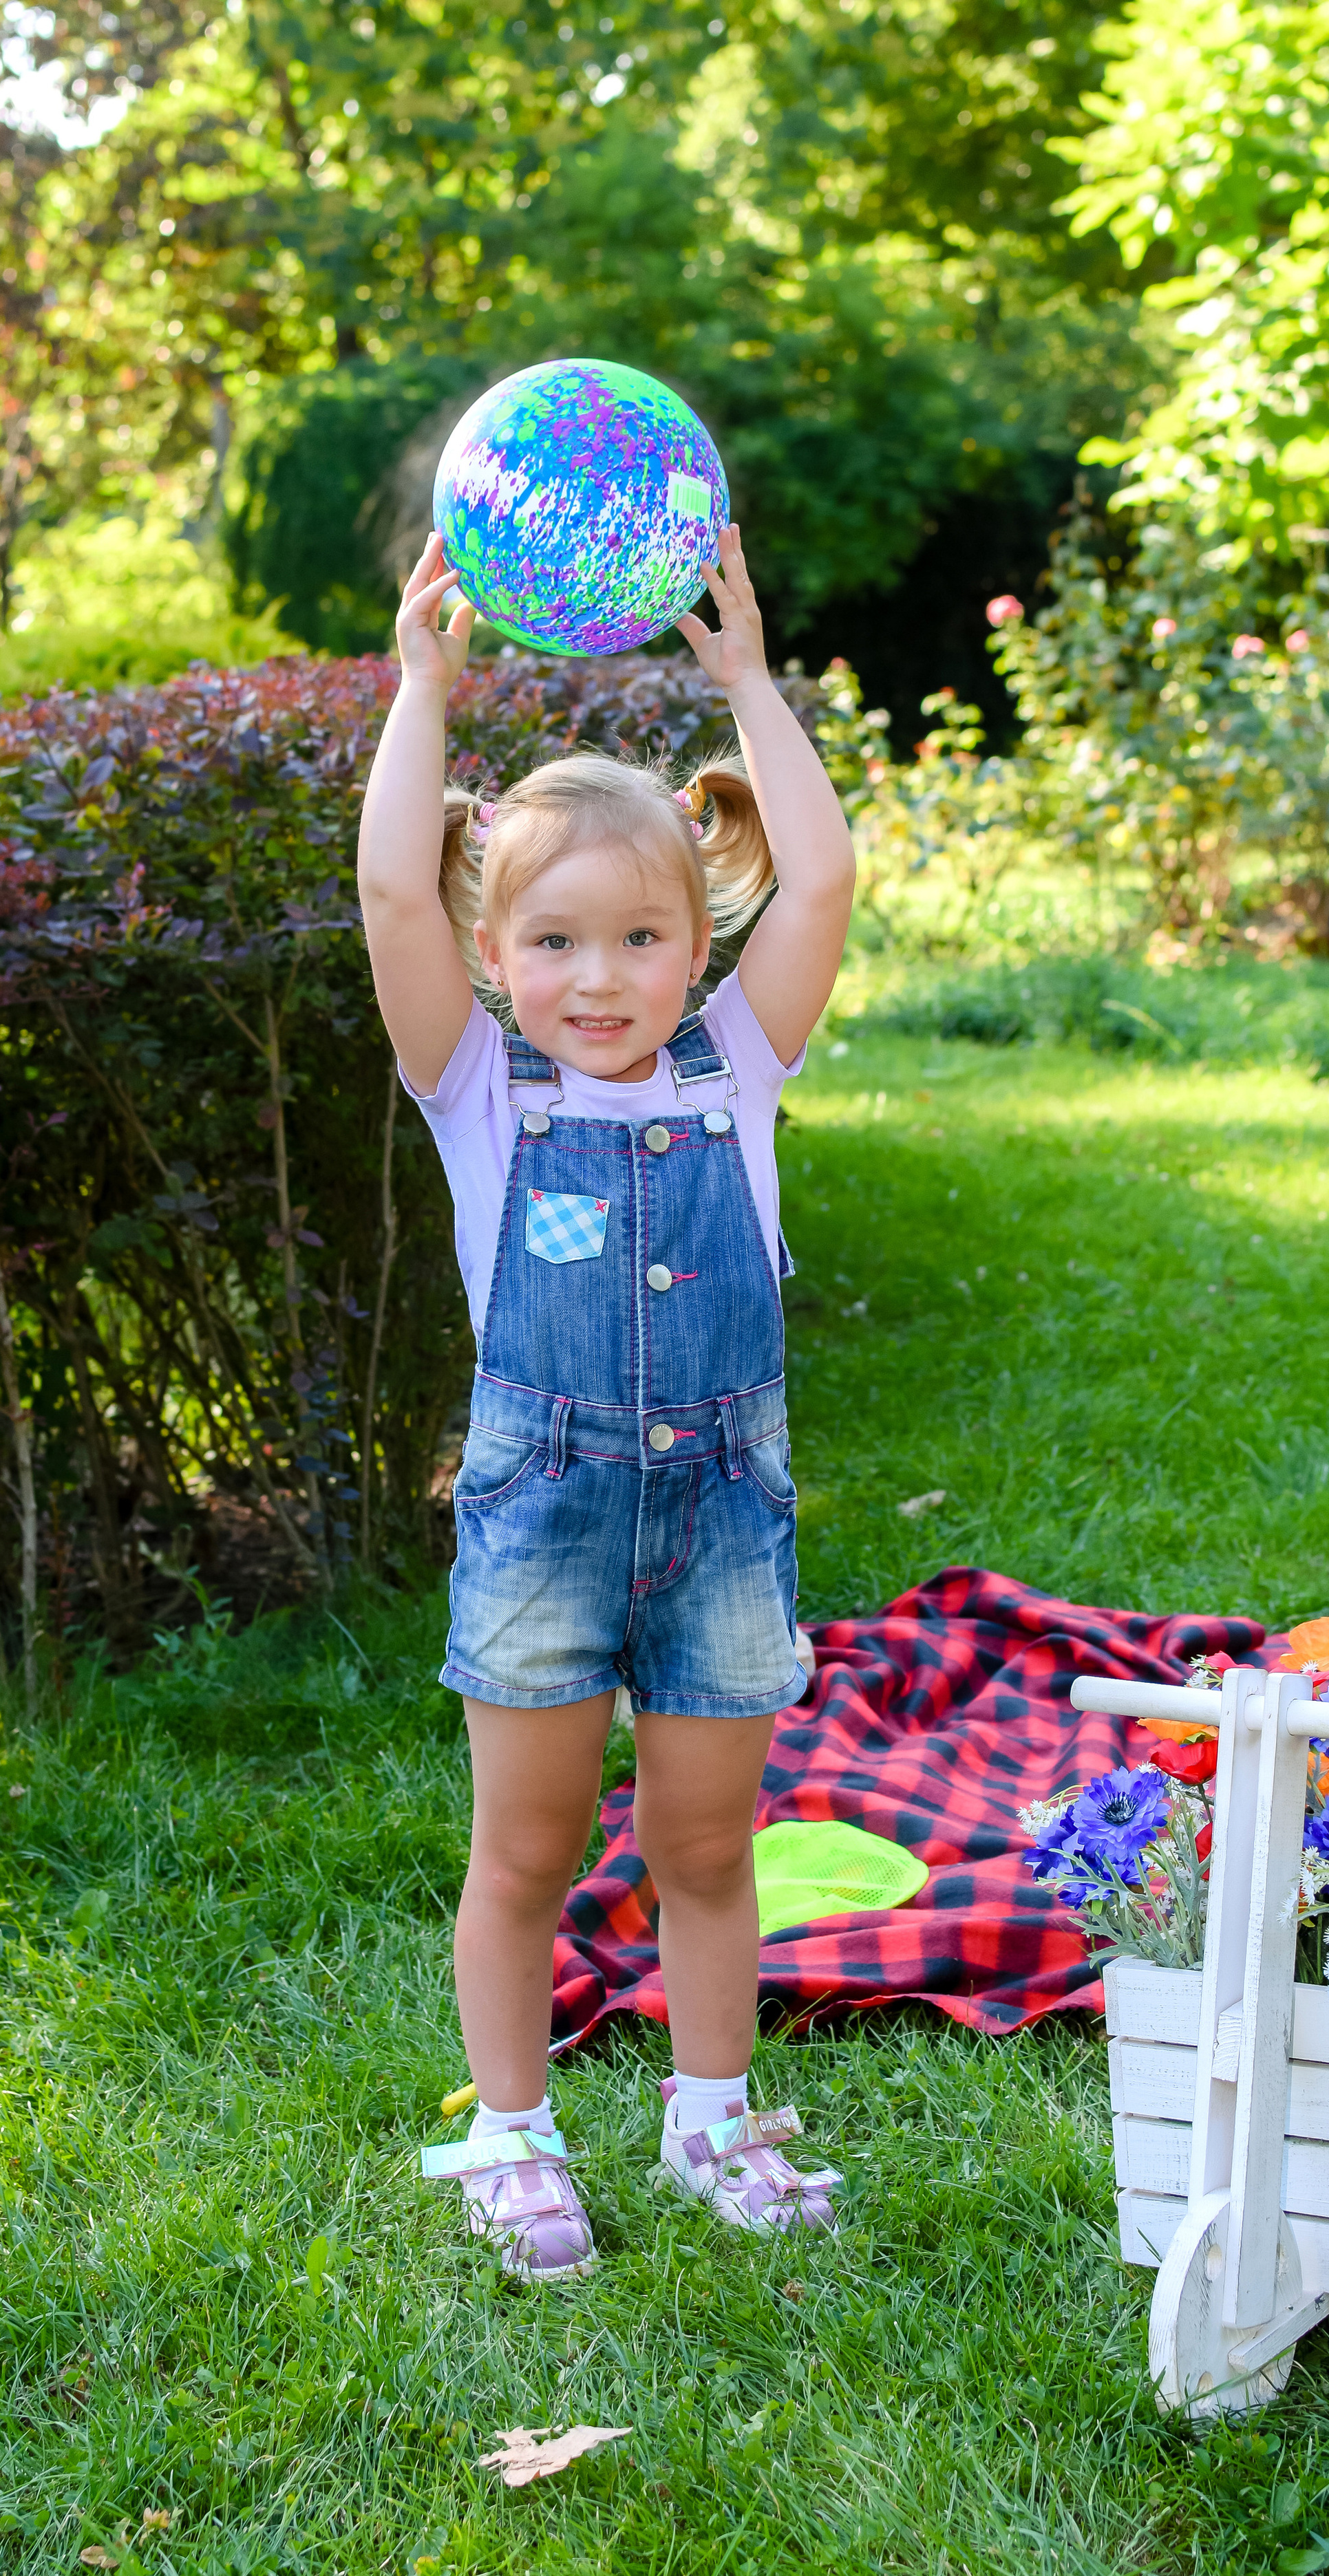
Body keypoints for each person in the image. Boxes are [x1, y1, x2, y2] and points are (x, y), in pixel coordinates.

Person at [355, 524, 856, 2279]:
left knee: (708, 1844)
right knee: (527, 1850)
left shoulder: (738, 1066)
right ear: (499, 955)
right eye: (556, 940)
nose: (599, 977)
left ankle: (710, 2115)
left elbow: (821, 885)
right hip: (546, 1515)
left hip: (721, 1513)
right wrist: (422, 689)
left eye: (642, 937)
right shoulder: (479, 1092)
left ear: (689, 942)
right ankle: (511, 2136)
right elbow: (390, 895)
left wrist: (744, 683)